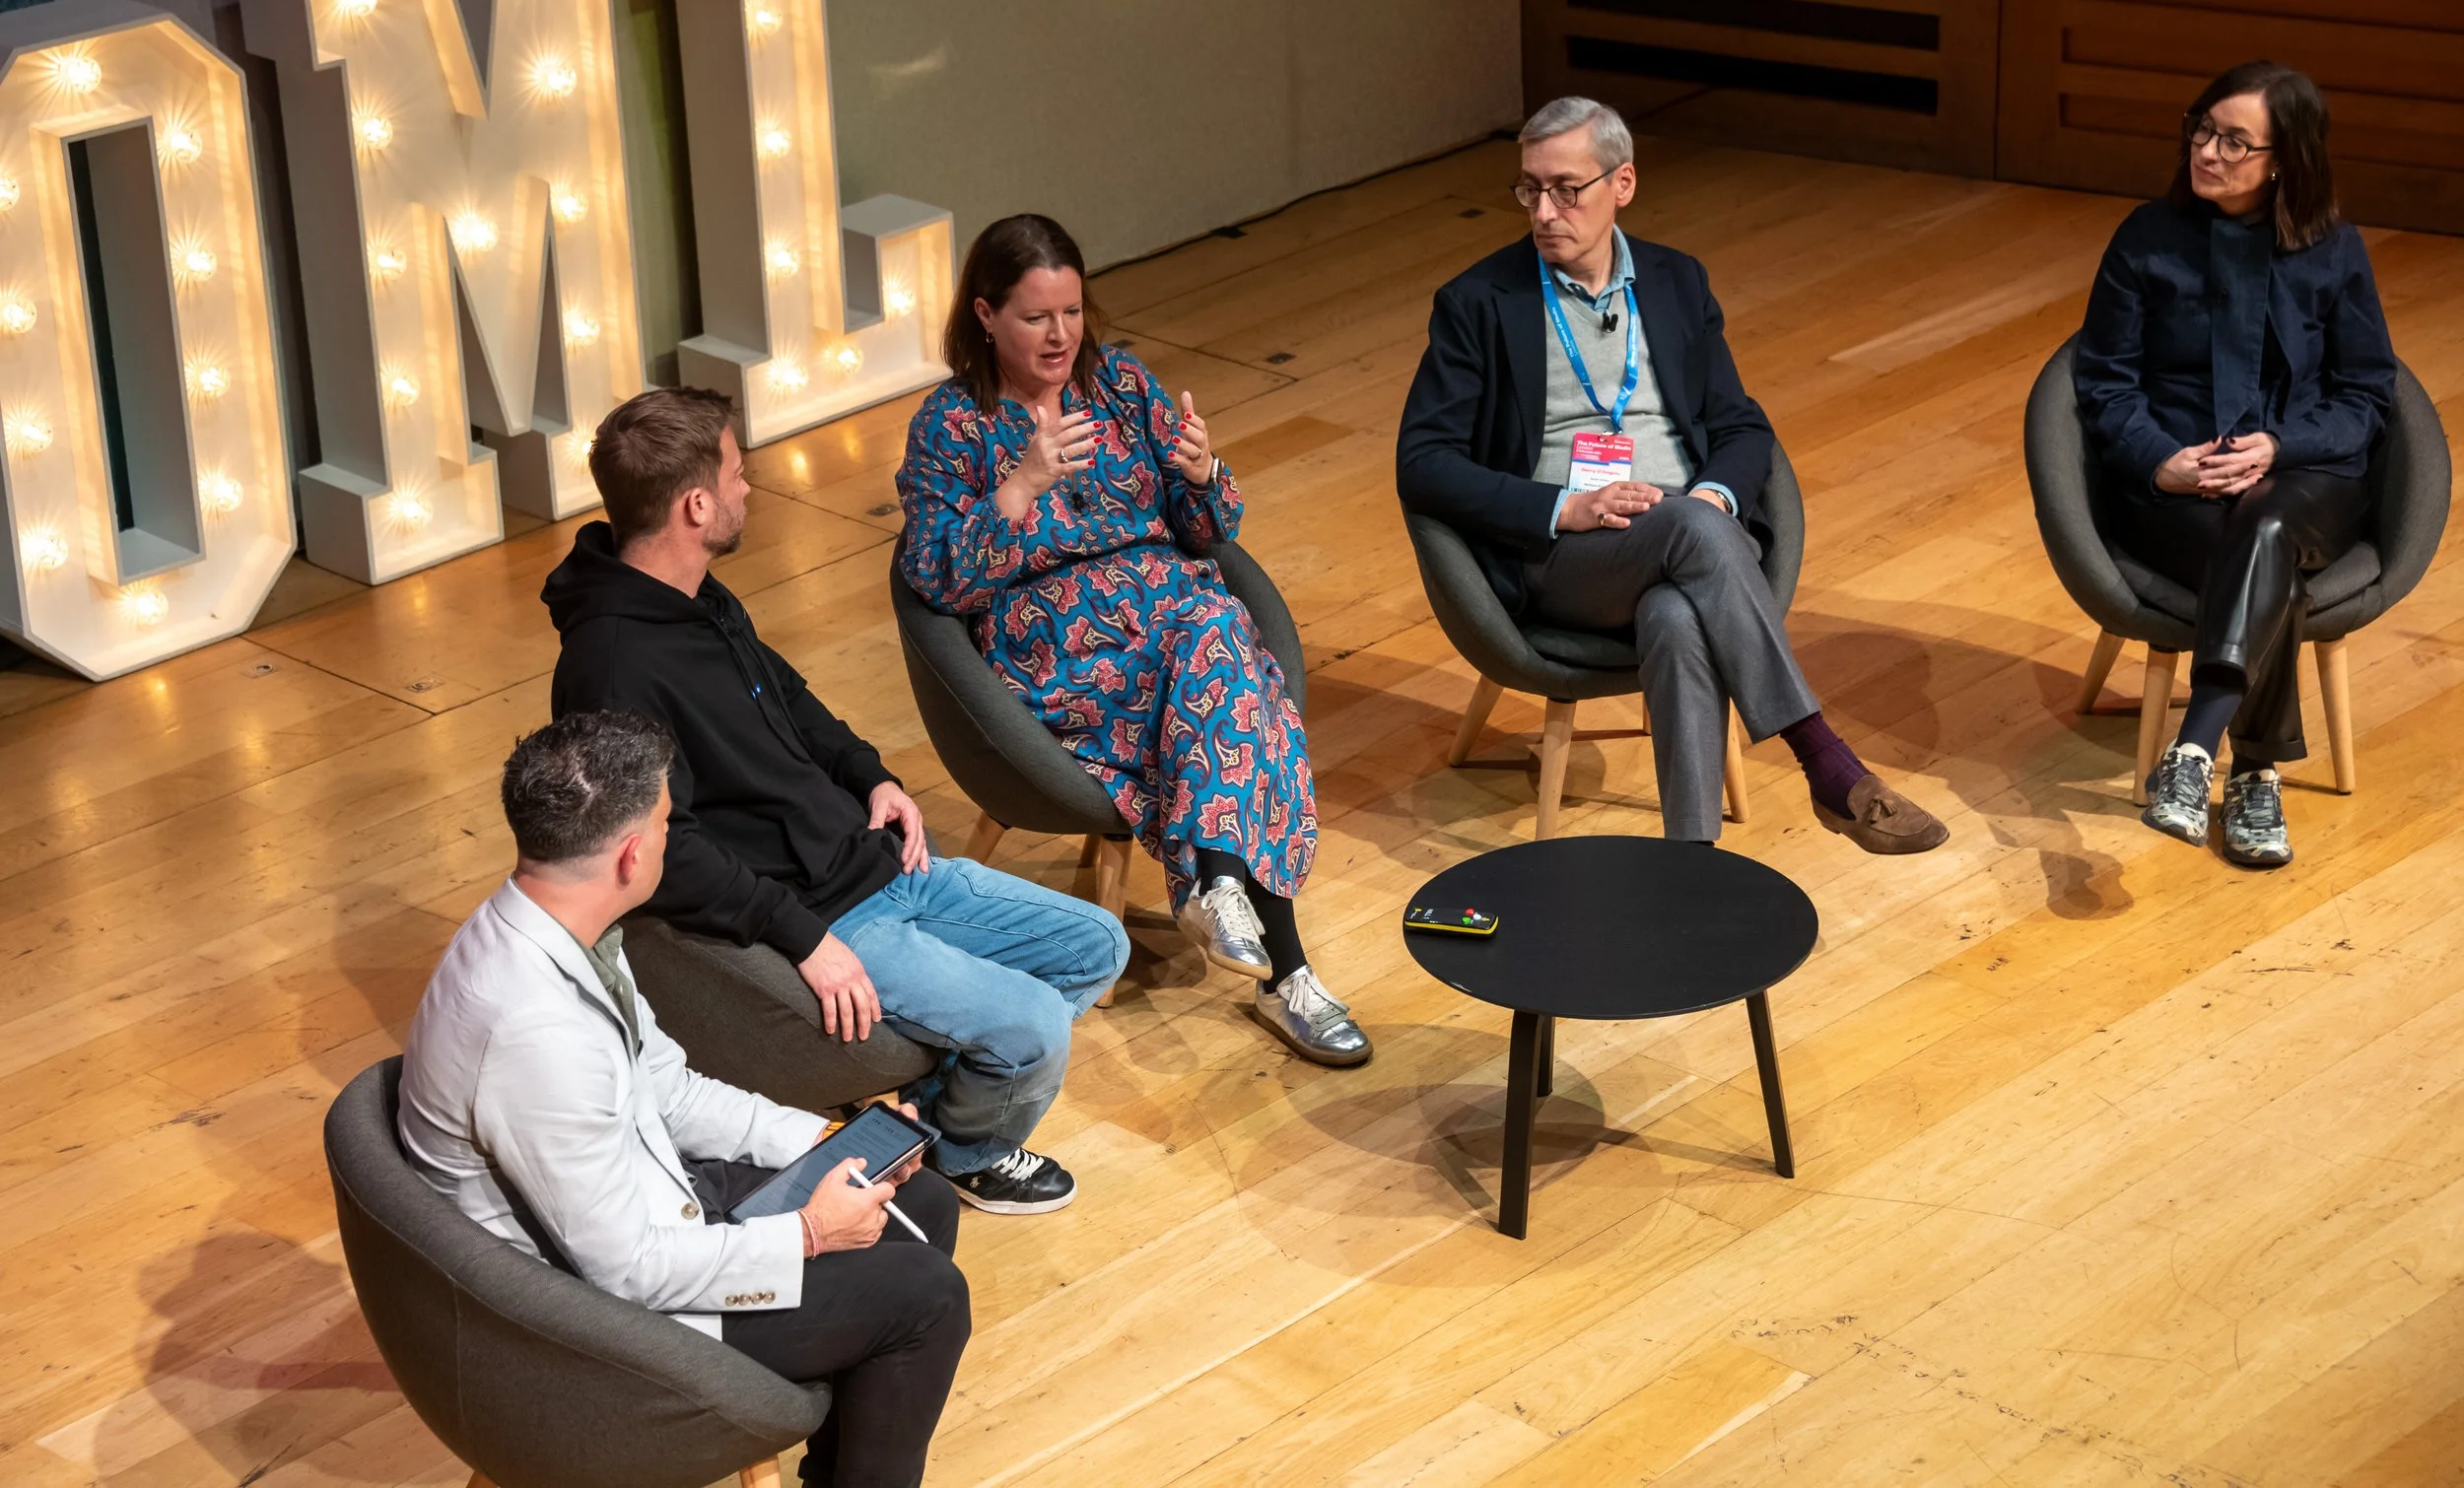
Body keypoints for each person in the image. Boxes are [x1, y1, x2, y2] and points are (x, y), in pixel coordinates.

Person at [543, 386, 1129, 1215]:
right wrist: (804, 938)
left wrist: (869, 775)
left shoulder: (698, 596)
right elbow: (664, 852)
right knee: (1033, 1026)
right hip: (827, 911)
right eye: (739, 475)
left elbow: (786, 697)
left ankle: (920, 1119)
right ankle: (964, 1151)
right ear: (696, 503)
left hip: (881, 864)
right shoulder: (611, 665)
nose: (752, 490)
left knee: (1096, 944)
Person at [399, 710, 969, 1488]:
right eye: (669, 823)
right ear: (634, 853)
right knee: (927, 1300)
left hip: (648, 1201)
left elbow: (667, 1088)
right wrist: (806, 1233)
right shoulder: (531, 1032)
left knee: (920, 1204)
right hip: (597, 1320)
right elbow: (626, 1271)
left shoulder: (564, 929)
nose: (676, 838)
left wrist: (824, 1142)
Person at [1397, 96, 1949, 853]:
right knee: (1695, 530)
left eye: (1567, 189)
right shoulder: (1478, 303)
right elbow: (1423, 465)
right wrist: (1566, 506)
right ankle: (1824, 760)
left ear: (1622, 184)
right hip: (1567, 559)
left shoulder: (1676, 282)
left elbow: (1740, 424)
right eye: (1530, 189)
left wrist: (1715, 495)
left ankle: (1690, 865)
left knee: (1677, 611)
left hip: (1684, 544)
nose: (1545, 211)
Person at [894, 213, 1370, 1067]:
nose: (1060, 335)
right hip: (1063, 648)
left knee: (1217, 635)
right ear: (985, 316)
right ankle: (1276, 959)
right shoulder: (950, 425)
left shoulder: (1117, 382)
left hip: (1173, 618)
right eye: (1037, 317)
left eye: (1072, 312)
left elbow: (1206, 530)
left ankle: (1225, 891)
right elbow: (934, 579)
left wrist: (1198, 472)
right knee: (1230, 671)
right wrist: (1023, 483)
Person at [2075, 62, 2395, 867]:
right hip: (2177, 486)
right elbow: (2103, 383)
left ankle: (2191, 749)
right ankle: (2253, 770)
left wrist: (2280, 446)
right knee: (2260, 553)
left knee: (2270, 520)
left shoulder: (2334, 251)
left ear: (2283, 158)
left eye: (2234, 141)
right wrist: (2162, 463)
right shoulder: (2146, 237)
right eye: (2202, 129)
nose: (2207, 151)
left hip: (2308, 476)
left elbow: (2367, 393)